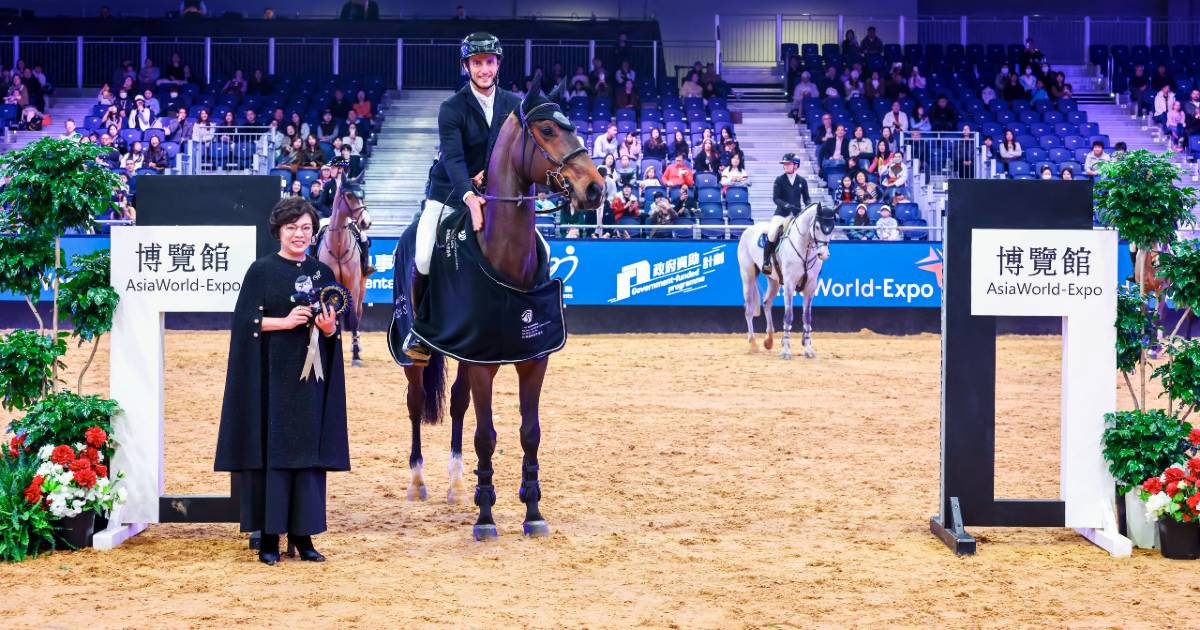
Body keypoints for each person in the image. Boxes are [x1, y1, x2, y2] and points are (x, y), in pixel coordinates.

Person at [214, 196, 348, 566]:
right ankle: (270, 536)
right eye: (292, 228)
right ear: (279, 231)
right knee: (273, 451)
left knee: (307, 452)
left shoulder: (324, 274)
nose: (299, 234)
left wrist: (329, 328)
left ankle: (304, 537)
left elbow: (331, 326)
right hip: (271, 377)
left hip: (311, 379)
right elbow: (243, 323)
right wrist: (285, 322)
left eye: (306, 228)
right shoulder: (261, 271)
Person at [404, 33, 520, 364]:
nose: (484, 69)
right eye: (477, 63)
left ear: (498, 64)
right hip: (449, 192)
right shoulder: (451, 108)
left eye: (489, 62)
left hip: (497, 194)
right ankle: (421, 331)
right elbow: (453, 158)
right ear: (466, 66)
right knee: (425, 256)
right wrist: (469, 191)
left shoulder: (514, 104)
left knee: (539, 247)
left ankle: (526, 321)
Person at [761, 153, 810, 276]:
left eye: (788, 164)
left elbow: (806, 199)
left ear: (796, 165)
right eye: (785, 164)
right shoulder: (779, 180)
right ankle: (766, 261)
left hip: (797, 215)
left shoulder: (802, 181)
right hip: (781, 214)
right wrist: (787, 205)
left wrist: (810, 207)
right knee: (772, 233)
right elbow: (776, 198)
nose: (786, 166)